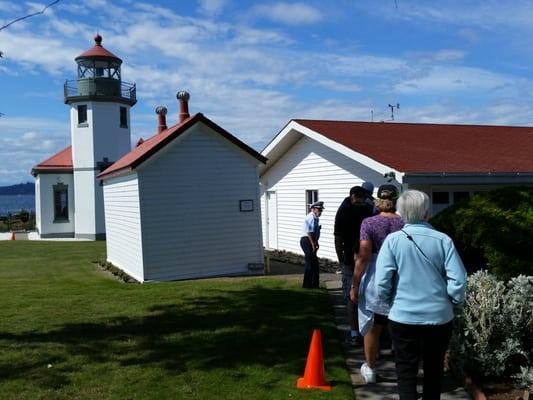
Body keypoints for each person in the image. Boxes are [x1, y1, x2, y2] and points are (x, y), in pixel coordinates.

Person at [375, 190, 467, 399]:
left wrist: (389, 300)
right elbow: (458, 280)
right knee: (434, 370)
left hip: (403, 315)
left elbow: (381, 282)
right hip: (438, 316)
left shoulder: (393, 241)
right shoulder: (443, 240)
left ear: (402, 213)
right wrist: (453, 300)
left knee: (405, 370)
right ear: (427, 213)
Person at [350, 184, 404, 383]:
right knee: (401, 326)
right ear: (396, 200)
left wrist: (355, 284)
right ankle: (404, 369)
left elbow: (363, 256)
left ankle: (371, 368)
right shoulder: (404, 222)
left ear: (378, 201)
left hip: (375, 274)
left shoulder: (369, 223)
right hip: (400, 275)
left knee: (373, 326)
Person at [334, 185, 375, 345]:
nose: (365, 200)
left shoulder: (365, 209)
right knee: (352, 297)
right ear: (354, 196)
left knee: (363, 294)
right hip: (352, 259)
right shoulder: (346, 211)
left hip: (364, 257)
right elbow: (338, 237)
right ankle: (355, 332)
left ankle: (363, 332)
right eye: (362, 197)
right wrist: (342, 259)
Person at [300, 201, 324, 289]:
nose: (320, 211)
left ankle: (315, 284)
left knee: (315, 263)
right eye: (319, 209)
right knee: (309, 263)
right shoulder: (310, 217)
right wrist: (313, 244)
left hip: (311, 240)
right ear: (313, 209)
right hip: (307, 241)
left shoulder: (316, 218)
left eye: (321, 210)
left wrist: (316, 242)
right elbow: (309, 232)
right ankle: (307, 285)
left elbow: (315, 232)